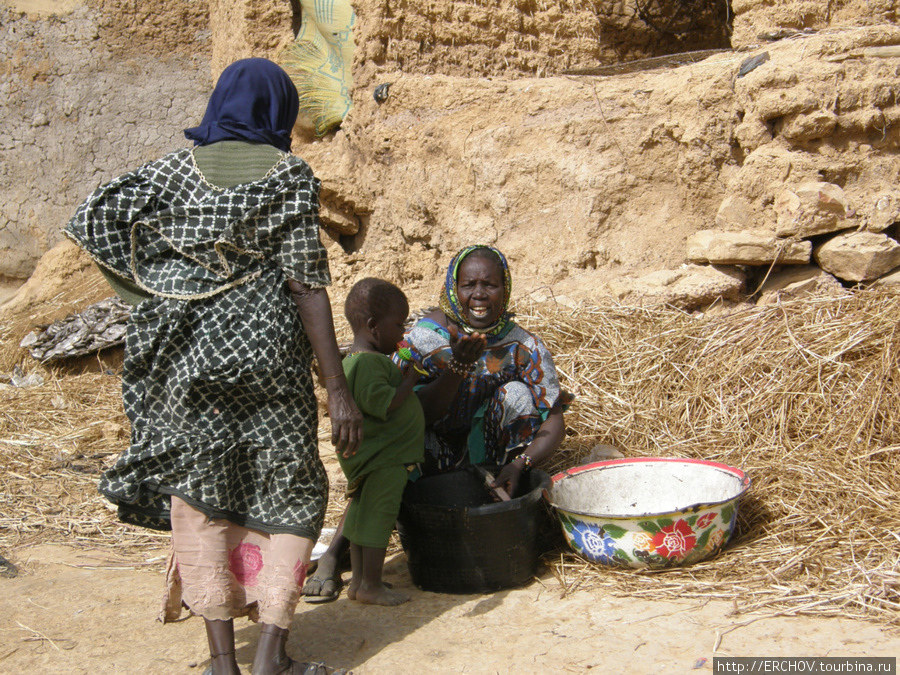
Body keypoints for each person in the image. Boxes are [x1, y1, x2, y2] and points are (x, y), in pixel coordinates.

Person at [64, 58, 361, 675]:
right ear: (277, 111)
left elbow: (94, 216)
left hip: (181, 360)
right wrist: (336, 387)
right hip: (266, 359)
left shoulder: (170, 173)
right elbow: (307, 283)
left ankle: (223, 663)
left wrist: (153, 288)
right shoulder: (288, 175)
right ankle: (272, 657)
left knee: (200, 496)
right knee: (292, 484)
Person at [302, 244, 572, 601]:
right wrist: (456, 370)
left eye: (490, 285)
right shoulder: (424, 337)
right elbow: (399, 410)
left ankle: (499, 507)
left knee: (518, 395)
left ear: (505, 288)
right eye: (468, 284)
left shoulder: (524, 346)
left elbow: (554, 418)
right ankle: (334, 556)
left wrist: (521, 463)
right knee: (384, 471)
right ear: (453, 288)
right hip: (424, 450)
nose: (478, 295)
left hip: (492, 461)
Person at [336, 278, 424, 606]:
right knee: (379, 517)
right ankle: (371, 584)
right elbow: (384, 403)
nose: (402, 334)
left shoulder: (352, 362)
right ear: (373, 326)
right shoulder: (370, 362)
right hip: (384, 459)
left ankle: (360, 582)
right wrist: (412, 377)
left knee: (361, 517)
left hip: (371, 458)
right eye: (399, 324)